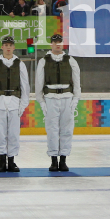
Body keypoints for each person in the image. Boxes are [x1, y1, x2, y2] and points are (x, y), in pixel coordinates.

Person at [35, 33, 81, 172]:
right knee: (52, 130)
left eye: (60, 41)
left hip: (67, 97)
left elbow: (77, 82)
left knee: (66, 130)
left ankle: (63, 159)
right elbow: (38, 83)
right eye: (55, 42)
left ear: (63, 44)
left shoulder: (71, 60)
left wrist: (75, 99)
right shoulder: (44, 61)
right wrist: (41, 102)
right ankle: (53, 159)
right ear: (51, 44)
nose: (57, 44)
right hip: (50, 98)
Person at [0, 34, 30, 173]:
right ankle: (1, 161)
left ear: (14, 47)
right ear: (2, 47)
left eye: (11, 45)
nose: (8, 48)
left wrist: (23, 104)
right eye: (6, 45)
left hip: (14, 101)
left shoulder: (20, 63)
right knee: (0, 133)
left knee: (13, 133)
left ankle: (11, 161)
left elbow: (25, 85)